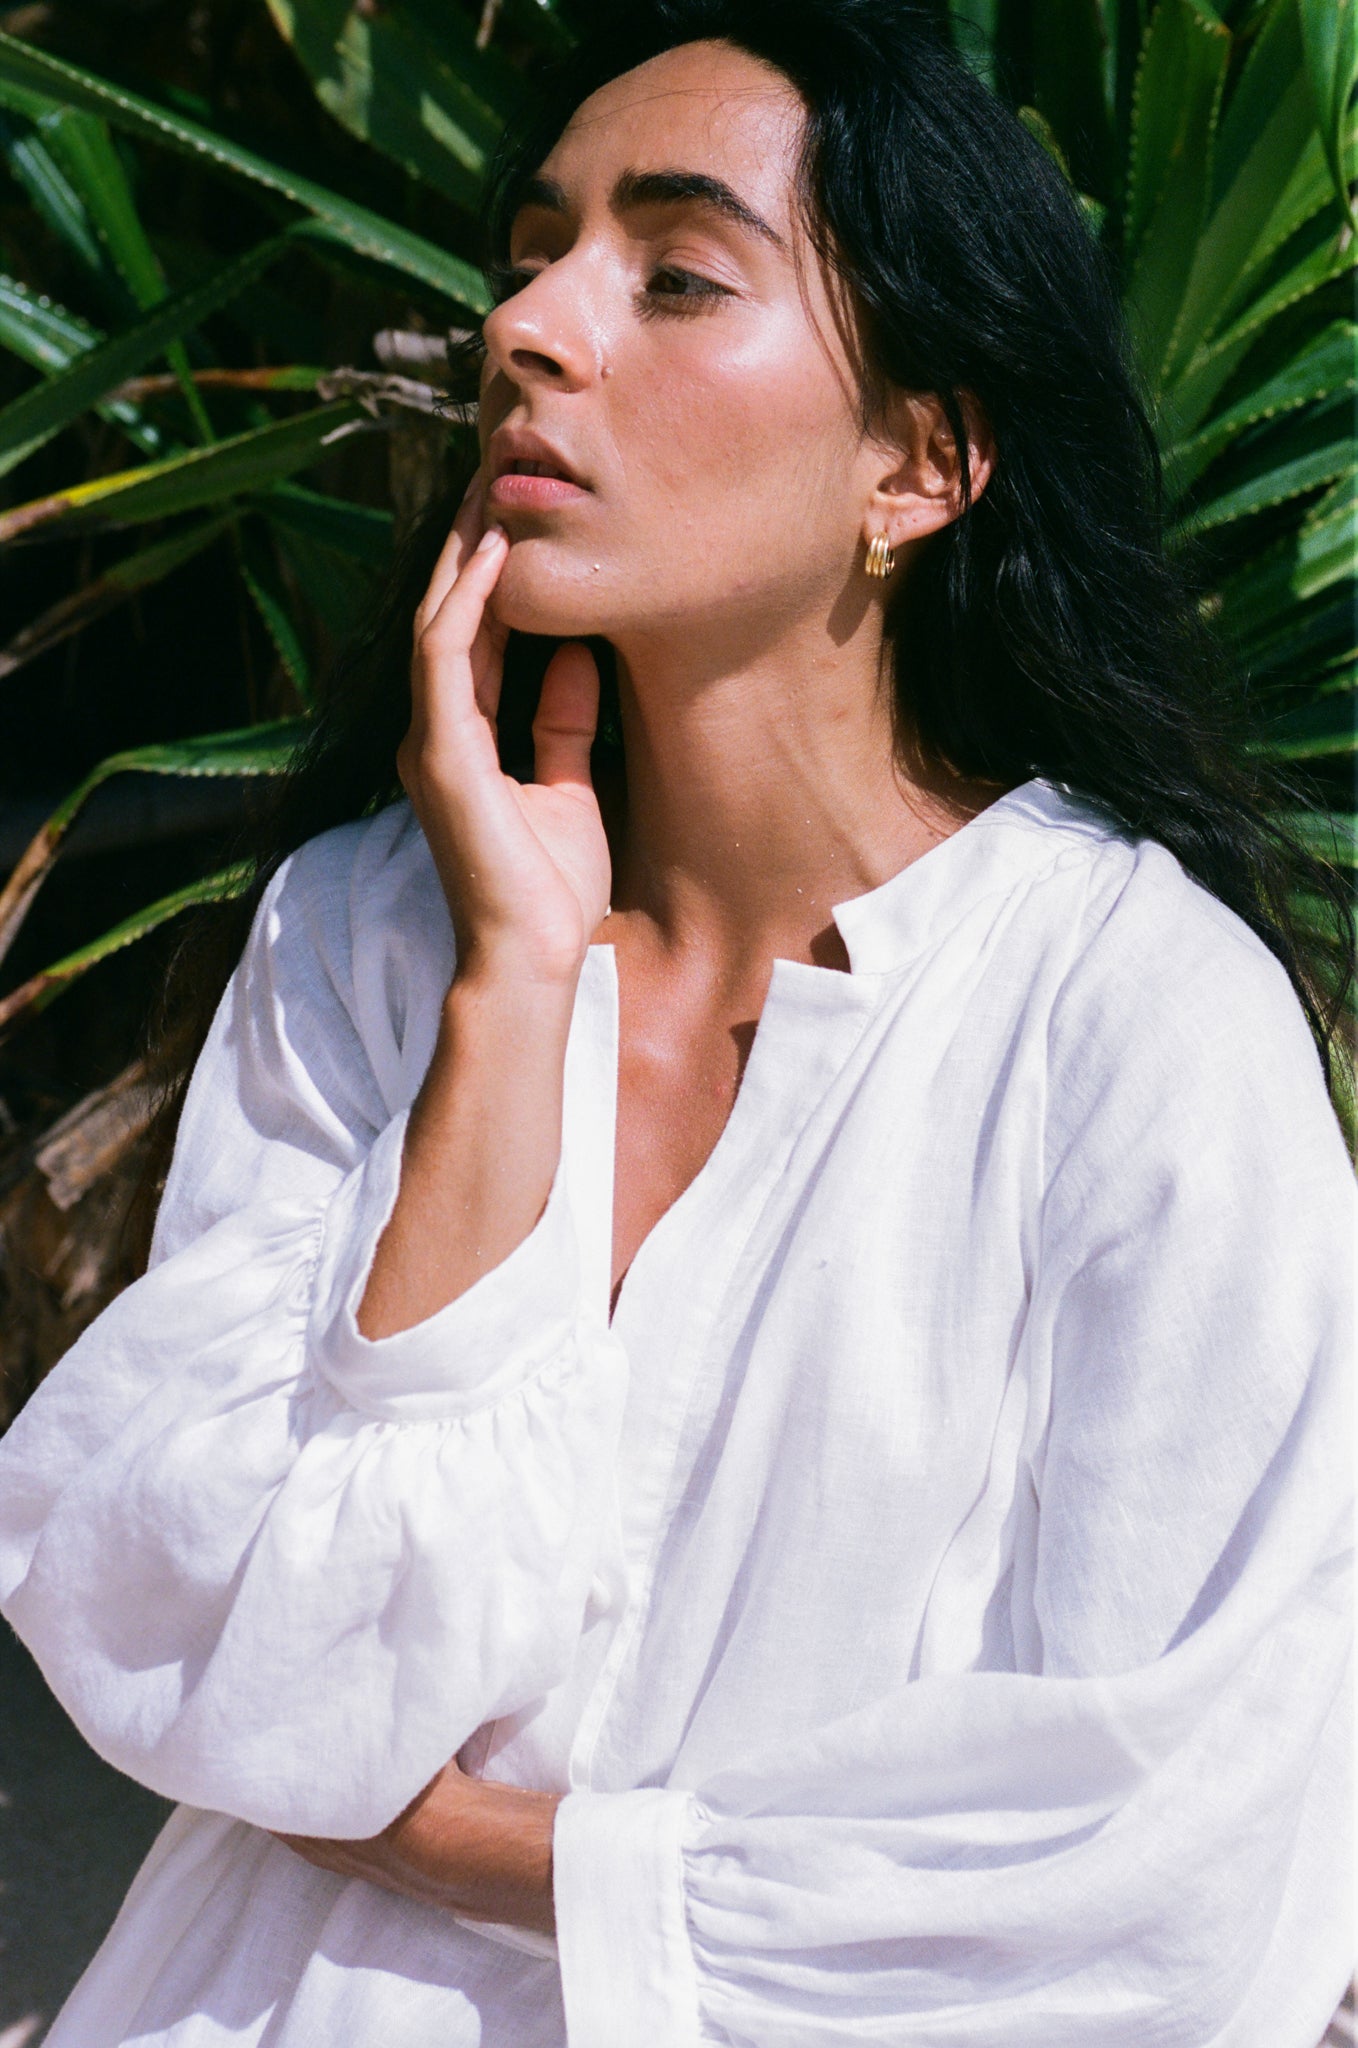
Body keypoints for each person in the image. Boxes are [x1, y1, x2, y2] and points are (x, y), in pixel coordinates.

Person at [0, 2, 1352, 2042]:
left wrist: (490, 1853)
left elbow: (1177, 1860)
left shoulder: (1137, 1027)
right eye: (529, 254)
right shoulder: (374, 929)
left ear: (920, 462)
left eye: (677, 274)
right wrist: (510, 986)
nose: (528, 328)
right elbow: (226, 1649)